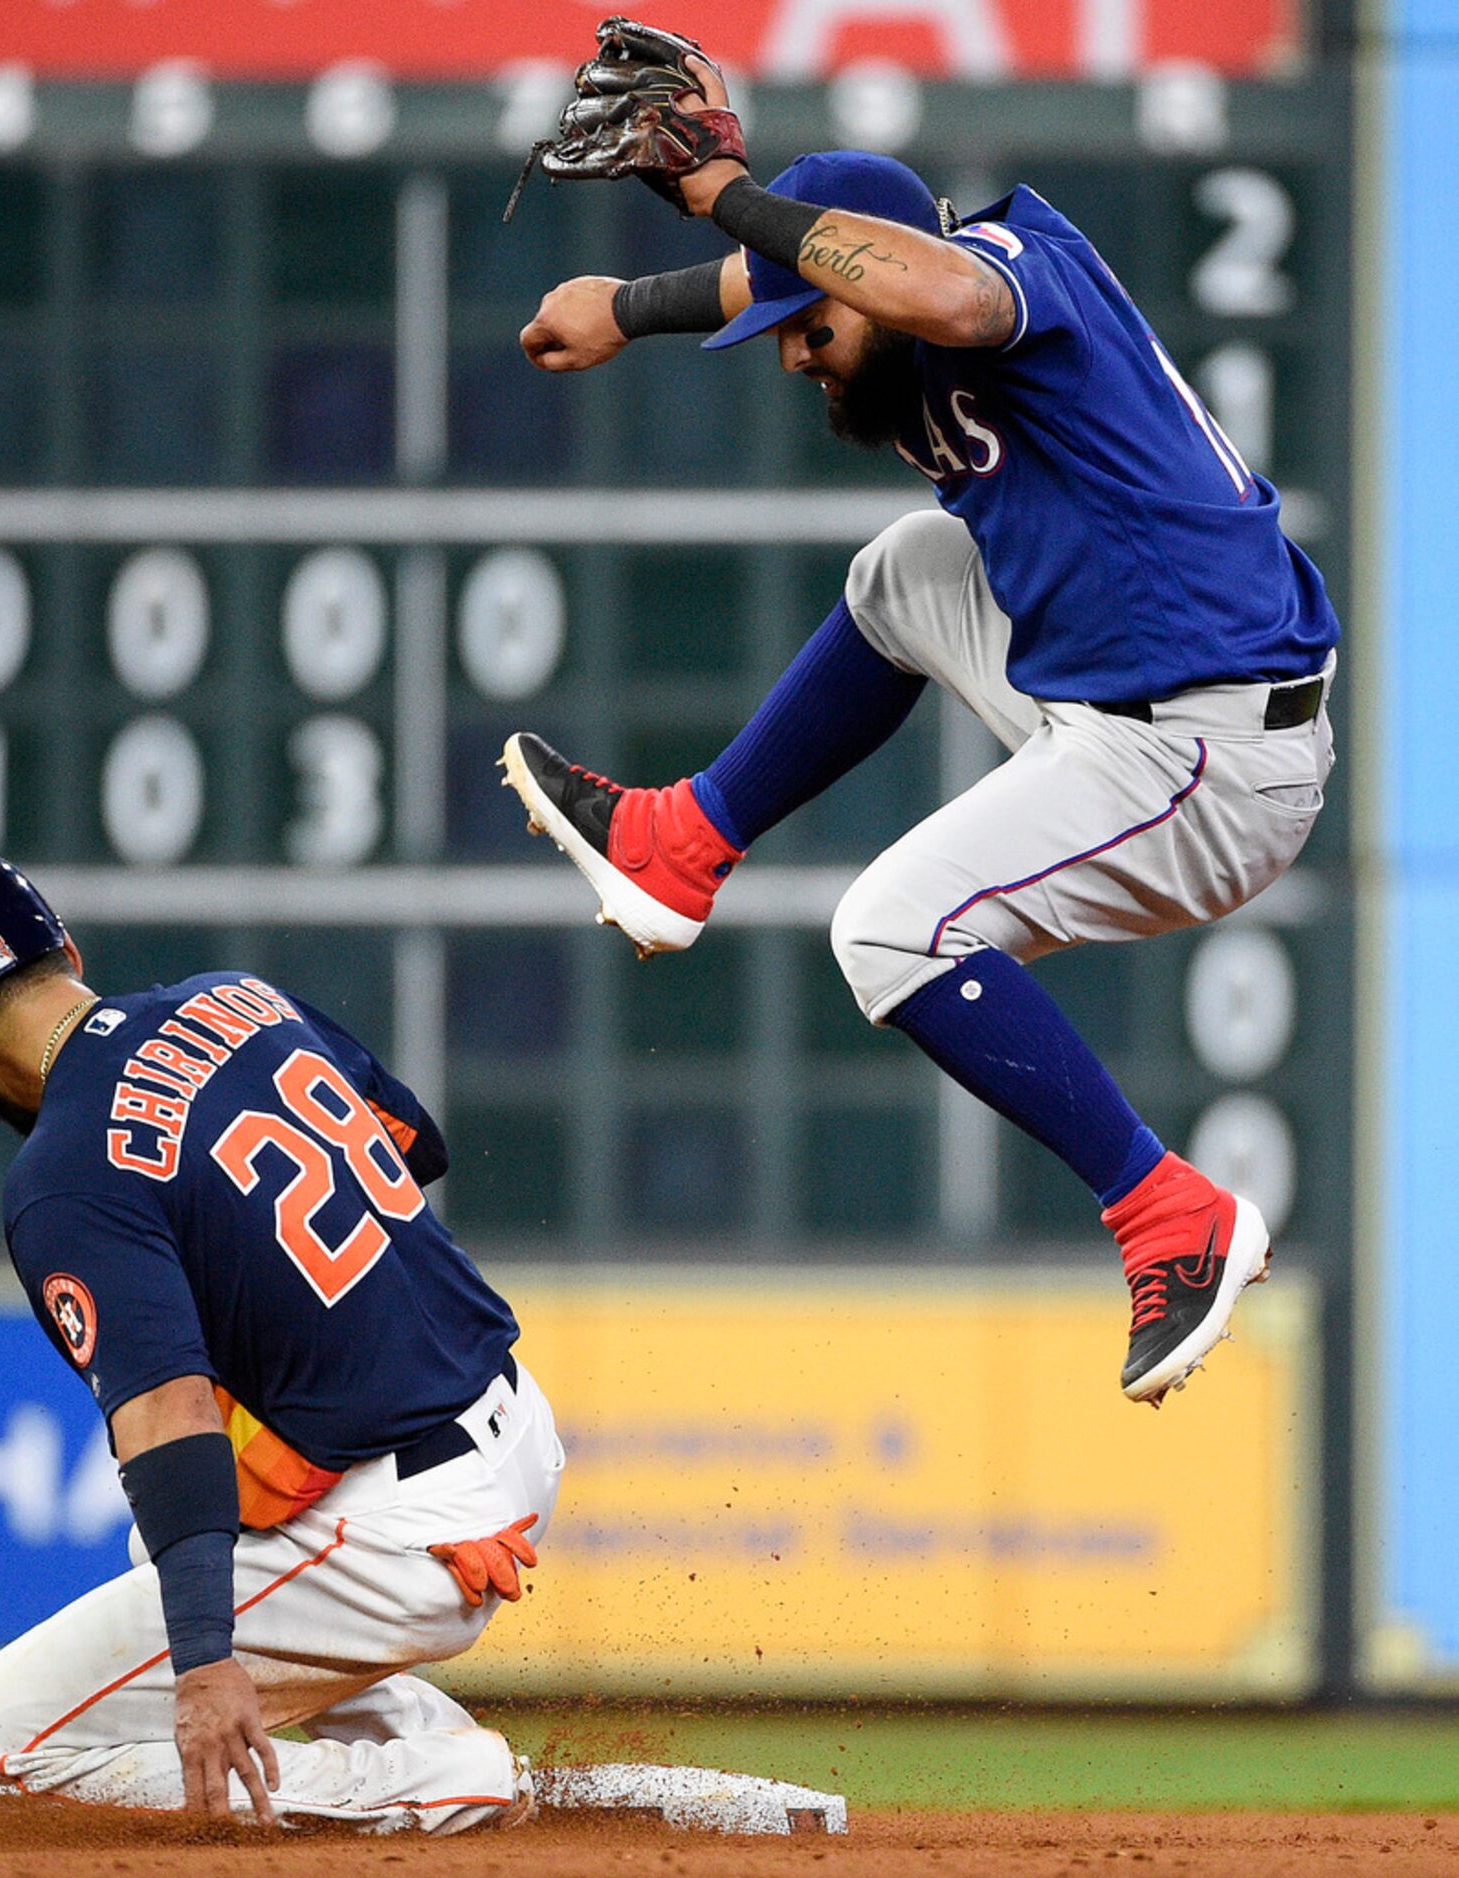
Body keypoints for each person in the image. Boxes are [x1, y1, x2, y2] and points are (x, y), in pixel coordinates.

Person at [503, 31, 1338, 1408]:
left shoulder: (1006, 278)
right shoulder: (886, 293)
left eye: (809, 329)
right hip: (1123, 697)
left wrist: (725, 191)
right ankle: (680, 844)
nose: (792, 359)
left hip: (1207, 753)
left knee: (890, 926)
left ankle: (1165, 1211)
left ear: (866, 279)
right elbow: (825, 269)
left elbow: (931, 284)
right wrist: (635, 300)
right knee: (904, 573)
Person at [0, 852, 563, 1833]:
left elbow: (169, 1422)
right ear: (65, 948)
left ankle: (432, 1786)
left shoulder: (61, 1176)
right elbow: (413, 1143)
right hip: (512, 1427)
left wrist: (203, 1667)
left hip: (410, 1529)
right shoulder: (237, 999)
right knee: (170, 1538)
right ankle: (416, 1737)